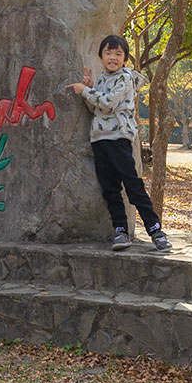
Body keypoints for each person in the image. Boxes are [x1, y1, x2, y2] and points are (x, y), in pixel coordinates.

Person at [67, 34, 171, 253]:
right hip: (99, 140)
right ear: (100, 56)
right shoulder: (102, 79)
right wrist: (89, 90)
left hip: (119, 139)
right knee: (110, 189)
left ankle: (156, 231)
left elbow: (109, 104)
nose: (112, 57)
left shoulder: (125, 78)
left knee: (133, 186)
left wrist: (85, 90)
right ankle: (120, 231)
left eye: (118, 54)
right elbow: (95, 110)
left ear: (125, 58)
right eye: (108, 53)